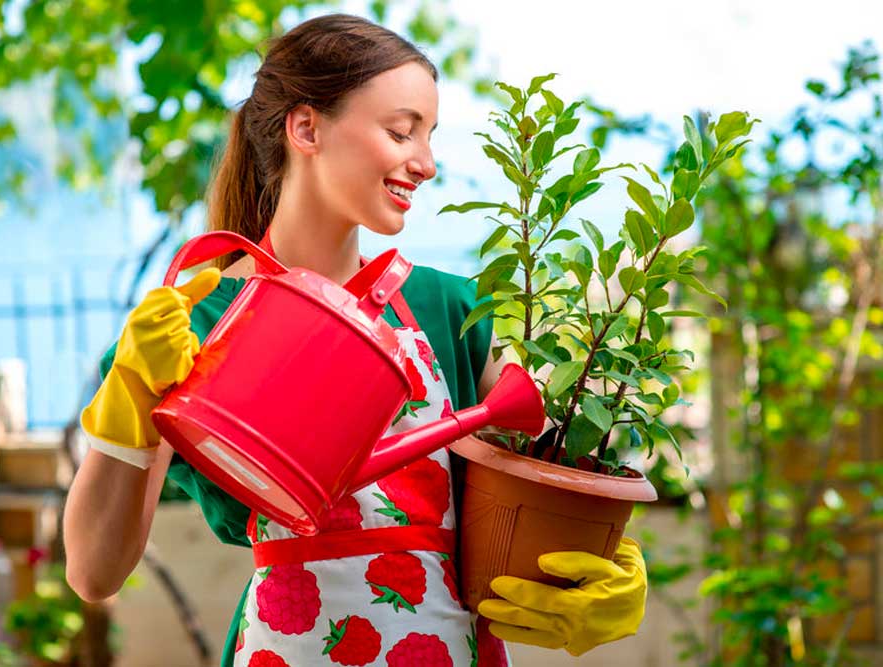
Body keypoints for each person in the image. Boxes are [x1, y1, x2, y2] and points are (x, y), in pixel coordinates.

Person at [64, 13, 647, 667]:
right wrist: (134, 389)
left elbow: (552, 474)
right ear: (307, 127)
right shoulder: (192, 320)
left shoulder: (447, 306)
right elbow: (94, 571)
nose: (425, 164)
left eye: (429, 137)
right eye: (401, 132)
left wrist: (612, 563)